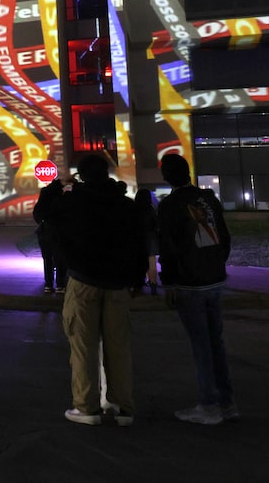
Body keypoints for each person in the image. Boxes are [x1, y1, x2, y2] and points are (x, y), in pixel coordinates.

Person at [49, 154, 145, 427]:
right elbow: (139, 243)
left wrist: (59, 185)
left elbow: (44, 216)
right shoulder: (125, 206)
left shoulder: (72, 203)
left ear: (82, 175)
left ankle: (86, 406)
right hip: (118, 284)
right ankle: (122, 407)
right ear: (107, 174)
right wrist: (137, 278)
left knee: (83, 346)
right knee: (119, 347)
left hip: (83, 281)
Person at [158, 153, 237, 426]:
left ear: (166, 176)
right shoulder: (209, 199)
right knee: (216, 342)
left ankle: (208, 405)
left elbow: (168, 248)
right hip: (215, 278)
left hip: (190, 283)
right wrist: (216, 264)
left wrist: (168, 281)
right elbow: (224, 237)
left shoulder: (169, 205)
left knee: (201, 345)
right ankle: (226, 402)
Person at [33, 178, 67, 294]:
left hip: (44, 232)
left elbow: (37, 214)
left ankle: (48, 284)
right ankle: (60, 284)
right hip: (59, 232)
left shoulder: (44, 197)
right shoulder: (62, 199)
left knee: (47, 259)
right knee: (60, 259)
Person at [134, 188, 159, 295]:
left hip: (137, 239)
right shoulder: (151, 209)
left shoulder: (134, 209)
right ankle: (153, 286)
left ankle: (138, 287)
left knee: (138, 263)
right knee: (152, 264)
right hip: (150, 239)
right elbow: (156, 224)